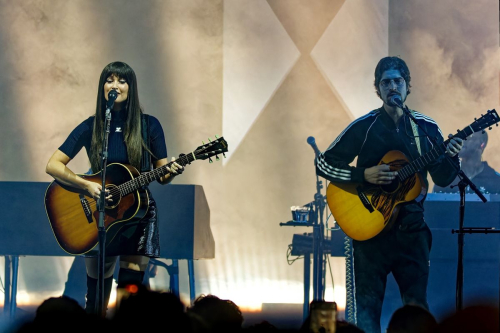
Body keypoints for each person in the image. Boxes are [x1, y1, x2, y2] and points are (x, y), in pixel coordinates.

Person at [315, 56, 463, 333]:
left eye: (398, 81)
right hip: (371, 233)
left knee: (416, 307)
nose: (392, 86)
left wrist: (452, 157)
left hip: (412, 231)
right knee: (367, 308)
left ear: (408, 86)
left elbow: (444, 177)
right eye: (386, 82)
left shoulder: (425, 128)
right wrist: (364, 175)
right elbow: (323, 164)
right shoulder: (365, 125)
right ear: (378, 89)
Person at [45, 61, 184, 316]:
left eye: (122, 81)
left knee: (131, 296)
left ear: (131, 87)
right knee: (96, 297)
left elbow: (162, 174)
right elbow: (53, 165)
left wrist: (171, 170)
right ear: (102, 87)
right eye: (110, 80)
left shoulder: (149, 125)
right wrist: (86, 186)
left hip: (137, 215)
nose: (115, 85)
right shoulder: (91, 126)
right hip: (101, 215)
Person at [433, 131, 500, 194]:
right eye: (462, 137)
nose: (462, 141)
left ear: (482, 144)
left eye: (469, 137)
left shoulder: (496, 179)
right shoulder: (447, 177)